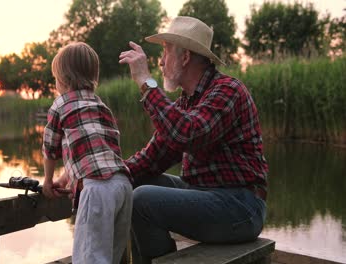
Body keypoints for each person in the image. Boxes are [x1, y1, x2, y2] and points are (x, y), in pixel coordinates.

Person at [118, 16, 269, 263]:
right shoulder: (187, 102)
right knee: (133, 183)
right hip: (204, 195)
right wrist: (99, 175)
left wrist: (146, 83)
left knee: (142, 200)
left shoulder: (228, 90)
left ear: (185, 57)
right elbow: (152, 157)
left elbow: (187, 134)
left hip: (241, 208)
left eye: (165, 52)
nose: (161, 61)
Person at [42, 42, 133, 264]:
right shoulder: (101, 105)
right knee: (111, 255)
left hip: (97, 191)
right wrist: (65, 179)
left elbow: (50, 147)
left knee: (89, 259)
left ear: (62, 79)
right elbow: (98, 152)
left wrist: (47, 181)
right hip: (123, 187)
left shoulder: (61, 104)